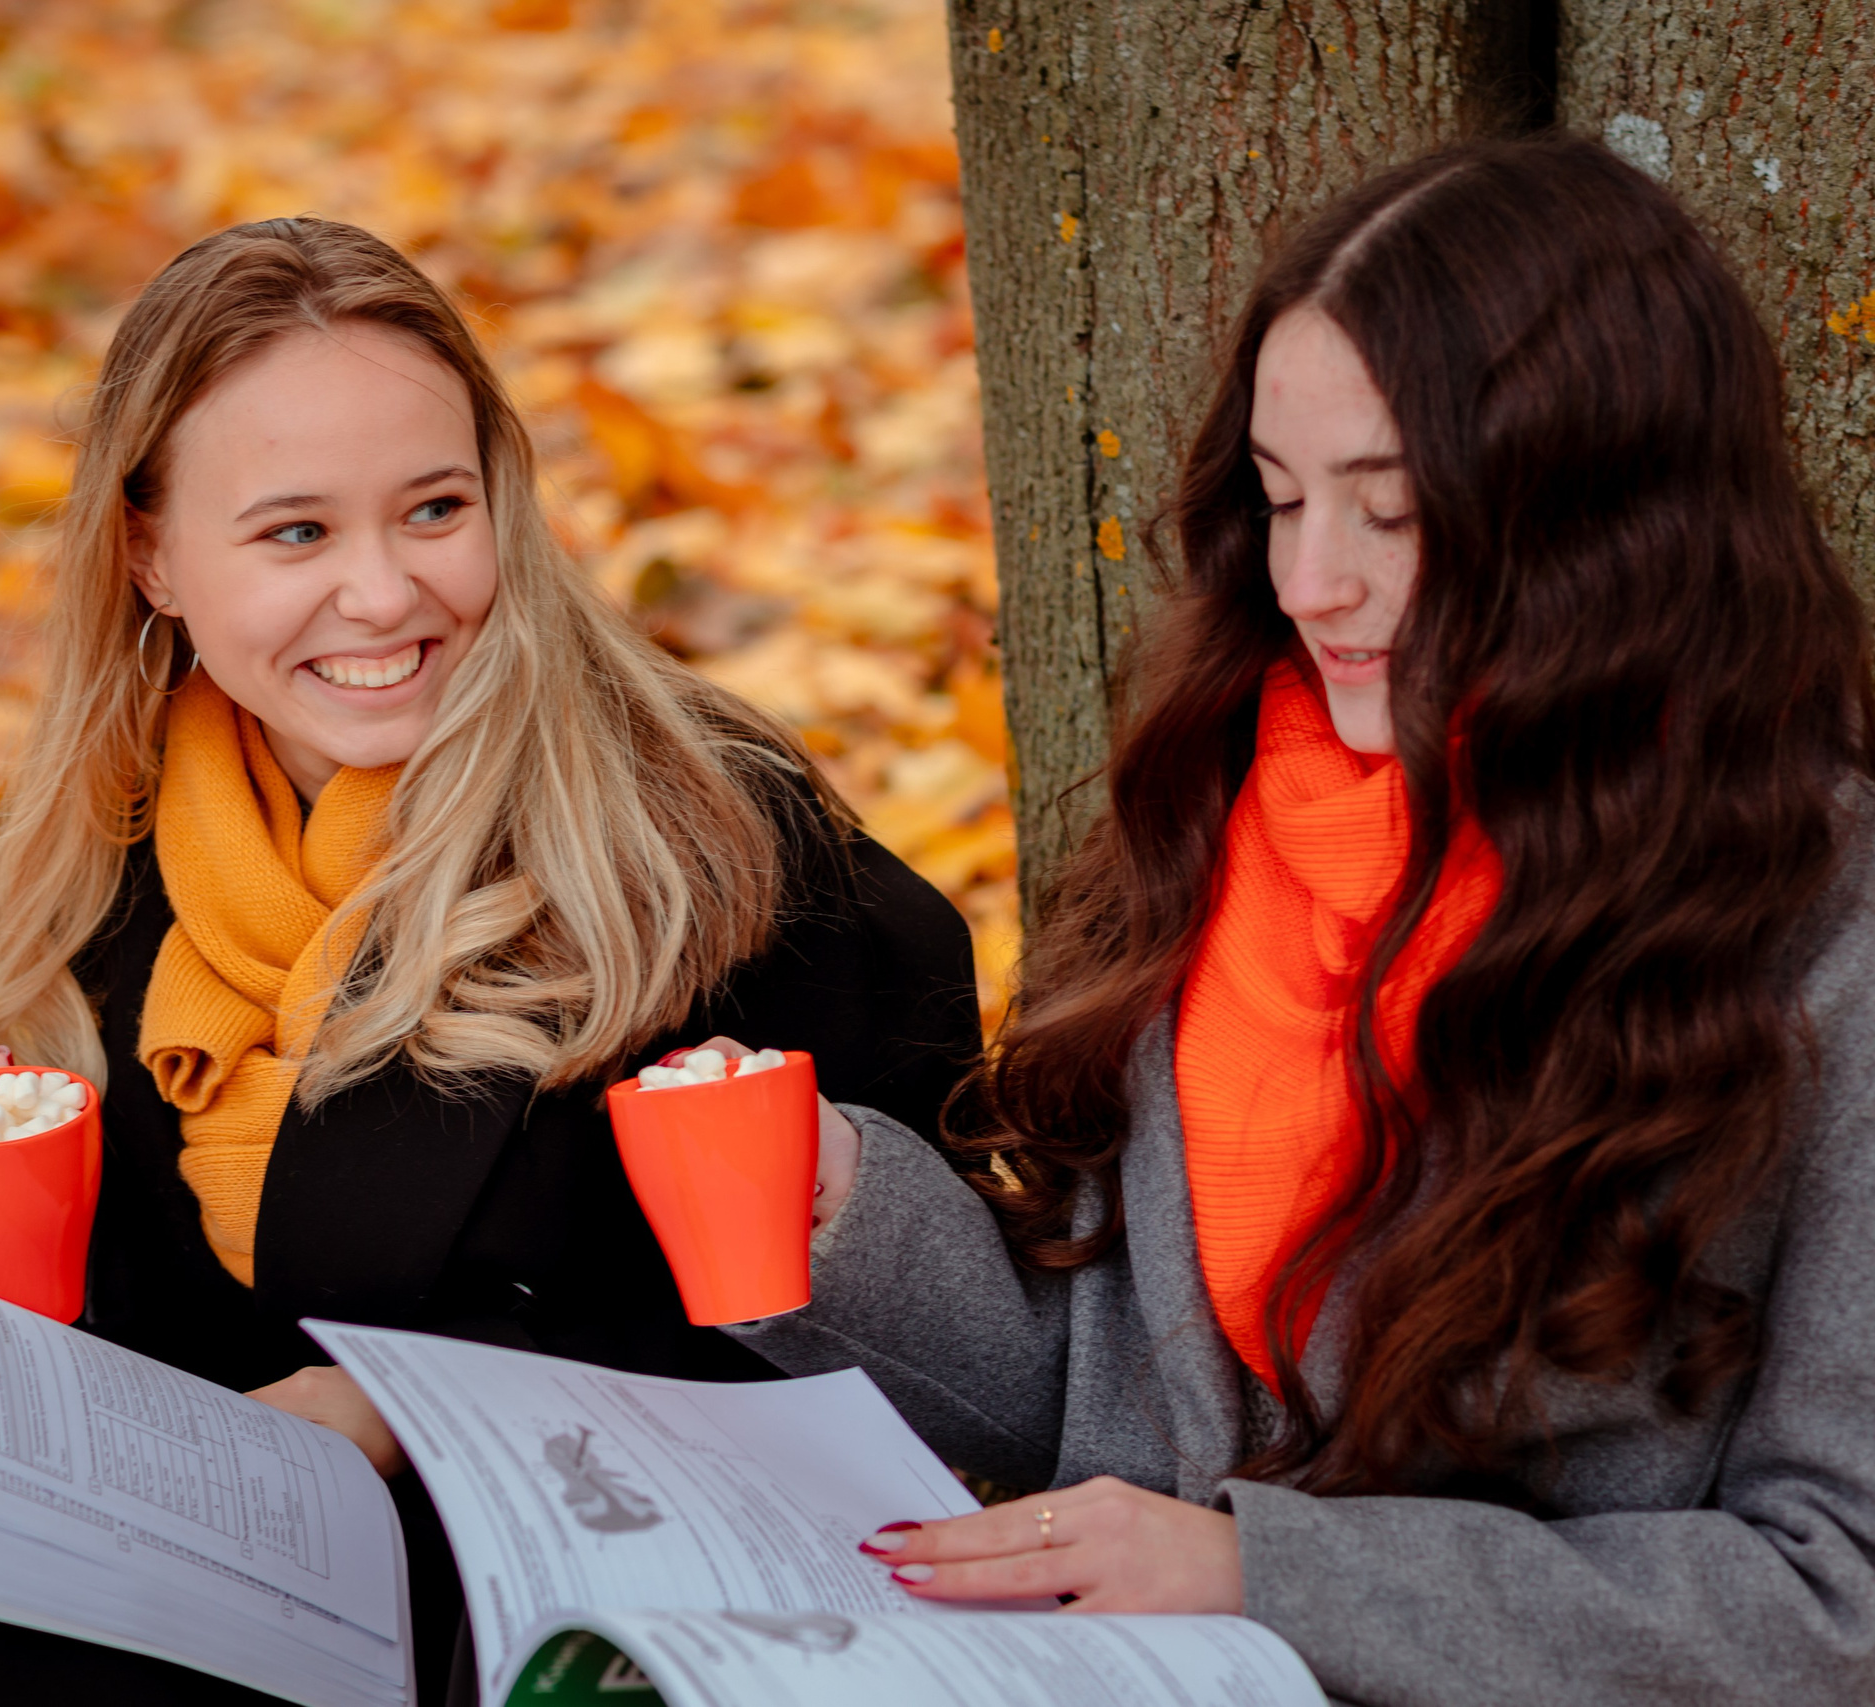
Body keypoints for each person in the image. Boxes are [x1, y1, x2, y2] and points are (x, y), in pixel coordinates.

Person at [0, 217, 978, 1707]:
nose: (384, 595)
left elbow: (879, 1367)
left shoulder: (694, 837)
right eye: (297, 533)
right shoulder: (119, 848)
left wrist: (390, 1402)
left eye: (435, 511)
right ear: (153, 557)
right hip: (170, 1505)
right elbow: (106, 1314)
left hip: (481, 1585)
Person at [712, 133, 1875, 1704]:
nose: (1313, 580)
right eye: (1279, 499)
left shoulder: (1821, 925)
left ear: (1614, 518)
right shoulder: (1228, 798)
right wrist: (836, 1209)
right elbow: (1113, 1418)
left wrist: (1274, 1578)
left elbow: (1839, 1599)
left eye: (1390, 515)